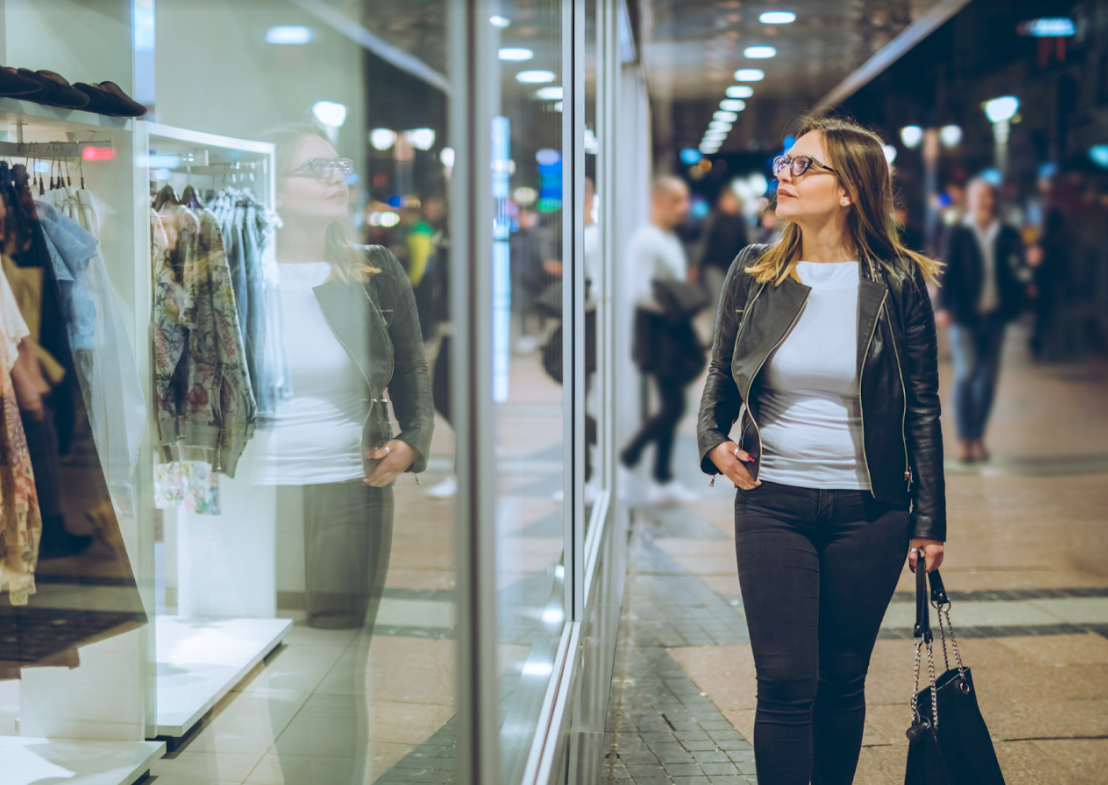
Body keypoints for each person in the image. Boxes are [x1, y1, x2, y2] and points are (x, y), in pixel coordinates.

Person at [697, 116, 946, 785]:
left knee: (841, 677)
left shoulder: (895, 282)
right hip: (772, 501)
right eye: (785, 163)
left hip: (873, 510)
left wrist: (930, 521)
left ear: (849, 190)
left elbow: (922, 402)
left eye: (803, 166)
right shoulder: (753, 271)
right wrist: (714, 442)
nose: (785, 175)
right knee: (783, 678)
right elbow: (721, 372)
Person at [621, 175, 700, 506]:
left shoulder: (667, 238)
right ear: (659, 203)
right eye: (677, 201)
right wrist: (673, 306)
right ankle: (628, 457)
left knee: (675, 403)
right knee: (674, 406)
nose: (684, 208)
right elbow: (636, 290)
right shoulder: (647, 240)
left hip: (672, 326)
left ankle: (662, 478)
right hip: (659, 329)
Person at [934, 177, 1026, 462]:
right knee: (966, 374)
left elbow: (1018, 268)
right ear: (970, 201)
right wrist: (943, 306)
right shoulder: (958, 232)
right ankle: (965, 438)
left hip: (996, 315)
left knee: (987, 380)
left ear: (993, 199)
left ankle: (977, 436)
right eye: (978, 196)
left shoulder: (1007, 232)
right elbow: (947, 270)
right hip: (965, 315)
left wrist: (1026, 270)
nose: (984, 200)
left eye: (988, 196)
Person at [694, 186, 748, 328]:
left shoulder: (740, 221)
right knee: (718, 299)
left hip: (733, 268)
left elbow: (745, 244)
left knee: (732, 302)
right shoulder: (714, 219)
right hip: (713, 266)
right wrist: (696, 265)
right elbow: (703, 242)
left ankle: (727, 335)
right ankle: (716, 335)